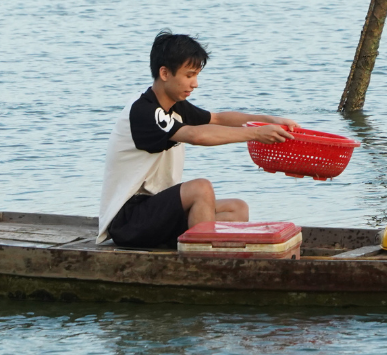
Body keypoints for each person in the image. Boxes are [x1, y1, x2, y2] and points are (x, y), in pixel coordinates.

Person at [97, 31, 297, 248]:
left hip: (156, 213)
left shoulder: (175, 106)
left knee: (237, 209)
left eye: (196, 75)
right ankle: (202, 259)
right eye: (189, 75)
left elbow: (218, 118)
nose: (195, 84)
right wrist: (256, 135)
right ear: (165, 73)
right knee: (201, 188)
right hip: (129, 221)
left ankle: (198, 247)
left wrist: (268, 120)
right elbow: (195, 135)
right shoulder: (144, 110)